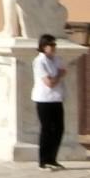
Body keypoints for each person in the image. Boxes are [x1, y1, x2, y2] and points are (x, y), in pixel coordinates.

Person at [33, 33, 67, 170]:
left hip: (56, 98)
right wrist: (59, 75)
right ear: (43, 46)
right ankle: (43, 160)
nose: (53, 47)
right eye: (50, 44)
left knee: (59, 129)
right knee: (46, 129)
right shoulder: (39, 61)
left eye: (54, 44)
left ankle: (52, 159)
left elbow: (62, 72)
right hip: (44, 99)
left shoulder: (56, 59)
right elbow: (49, 83)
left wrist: (58, 76)